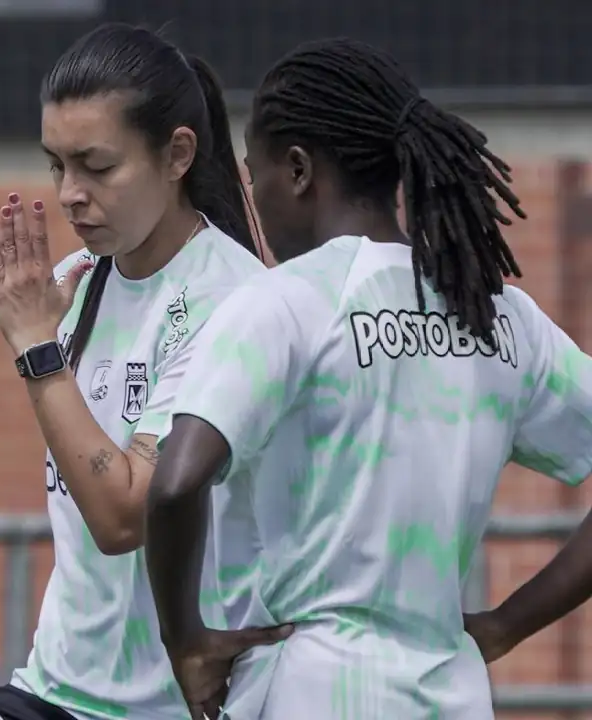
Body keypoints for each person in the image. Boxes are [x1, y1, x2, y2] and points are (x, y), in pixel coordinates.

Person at [144, 37, 592, 720]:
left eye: (253, 176)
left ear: (296, 170)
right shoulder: (498, 315)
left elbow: (174, 484)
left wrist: (188, 645)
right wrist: (506, 625)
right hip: (454, 695)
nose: (254, 203)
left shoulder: (283, 303)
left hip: (311, 690)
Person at [0, 23, 273, 720]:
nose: (70, 194)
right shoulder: (73, 285)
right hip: (56, 688)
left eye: (97, 167)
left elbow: (125, 515)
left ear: (177, 154)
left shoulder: (231, 300)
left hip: (173, 705)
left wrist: (39, 354)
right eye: (56, 166)